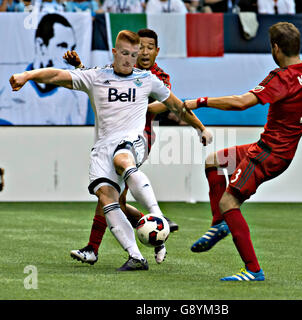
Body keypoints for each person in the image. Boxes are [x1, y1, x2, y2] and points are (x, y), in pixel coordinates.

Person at [10, 30, 212, 271]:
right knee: (108, 197)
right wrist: (27, 75)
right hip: (103, 145)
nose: (132, 58)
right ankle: (136, 255)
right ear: (115, 53)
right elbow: (59, 75)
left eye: (136, 53)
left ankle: (156, 217)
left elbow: (176, 106)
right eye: (126, 53)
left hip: (136, 138)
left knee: (122, 158)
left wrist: (200, 128)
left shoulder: (149, 79)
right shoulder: (98, 75)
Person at [185, 22, 302, 281]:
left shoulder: (282, 78)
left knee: (229, 201)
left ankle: (253, 270)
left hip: (268, 153)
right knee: (214, 162)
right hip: (276, 150)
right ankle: (219, 224)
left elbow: (241, 103)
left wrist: (198, 102)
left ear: (275, 48)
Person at [64, 29, 182, 266]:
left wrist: (138, 102)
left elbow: (163, 105)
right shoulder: (123, 69)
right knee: (114, 200)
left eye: (150, 47)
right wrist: (80, 67)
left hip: (140, 139)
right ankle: (158, 228)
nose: (145, 52)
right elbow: (100, 83)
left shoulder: (156, 76)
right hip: (114, 138)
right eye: (142, 47)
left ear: (156, 51)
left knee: (109, 195)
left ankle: (93, 249)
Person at [0, 13, 85, 125]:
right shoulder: (8, 93)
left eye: (72, 48)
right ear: (41, 46)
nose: (69, 55)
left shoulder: (70, 99)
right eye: (62, 46)